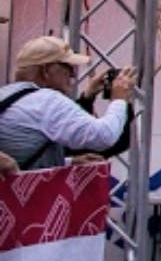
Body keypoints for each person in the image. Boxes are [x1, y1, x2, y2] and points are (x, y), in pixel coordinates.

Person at [0, 37, 136, 174]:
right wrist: (119, 98)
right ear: (46, 71)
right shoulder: (46, 100)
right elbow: (104, 136)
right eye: (69, 68)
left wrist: (68, 161)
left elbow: (21, 154)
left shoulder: (5, 94)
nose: (73, 75)